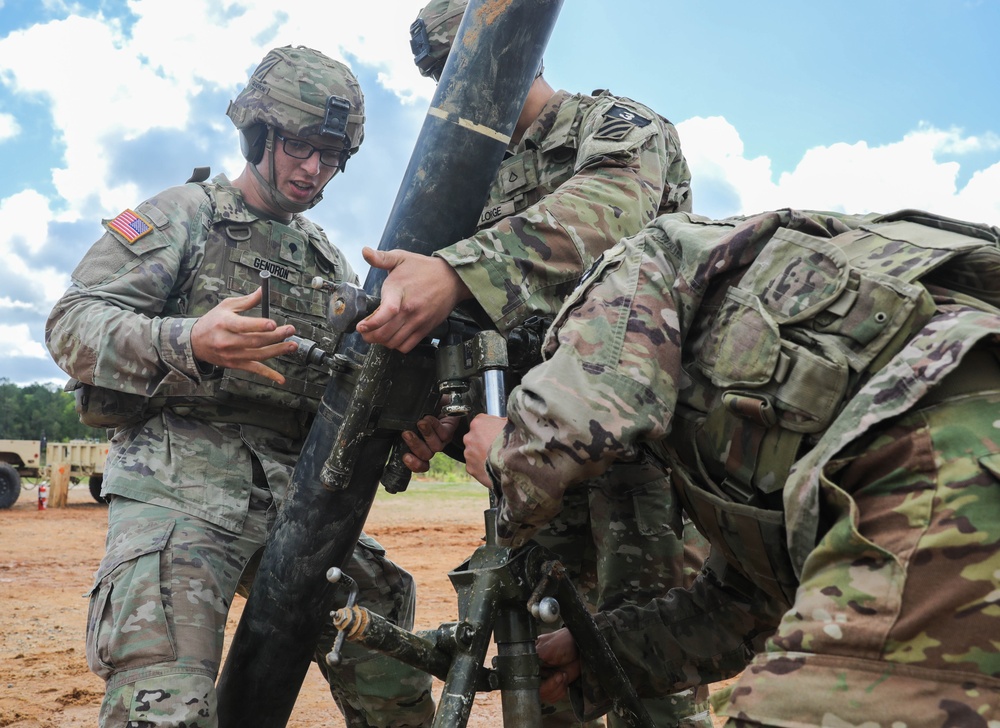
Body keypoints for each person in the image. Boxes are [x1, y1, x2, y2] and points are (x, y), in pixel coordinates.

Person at [461, 207, 1000, 726]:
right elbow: (742, 609)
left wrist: (502, 454)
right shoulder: (726, 425)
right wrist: (600, 652)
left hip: (944, 443)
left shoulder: (643, 260)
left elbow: (576, 423)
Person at [45, 46, 433, 728]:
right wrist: (188, 340)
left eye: (331, 155)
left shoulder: (325, 259)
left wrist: (403, 430)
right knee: (163, 708)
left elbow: (340, 391)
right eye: (298, 146)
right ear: (257, 134)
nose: (313, 169)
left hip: (300, 494)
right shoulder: (182, 216)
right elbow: (72, 325)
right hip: (179, 488)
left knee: (390, 665)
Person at [363, 2, 711, 726]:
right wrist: (435, 411)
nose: (461, 92)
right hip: (533, 475)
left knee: (653, 682)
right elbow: (470, 330)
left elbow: (610, 212)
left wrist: (457, 270)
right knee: (550, 682)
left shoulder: (613, 128)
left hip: (637, 470)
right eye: (444, 79)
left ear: (521, 53)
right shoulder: (468, 188)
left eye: (466, 70)